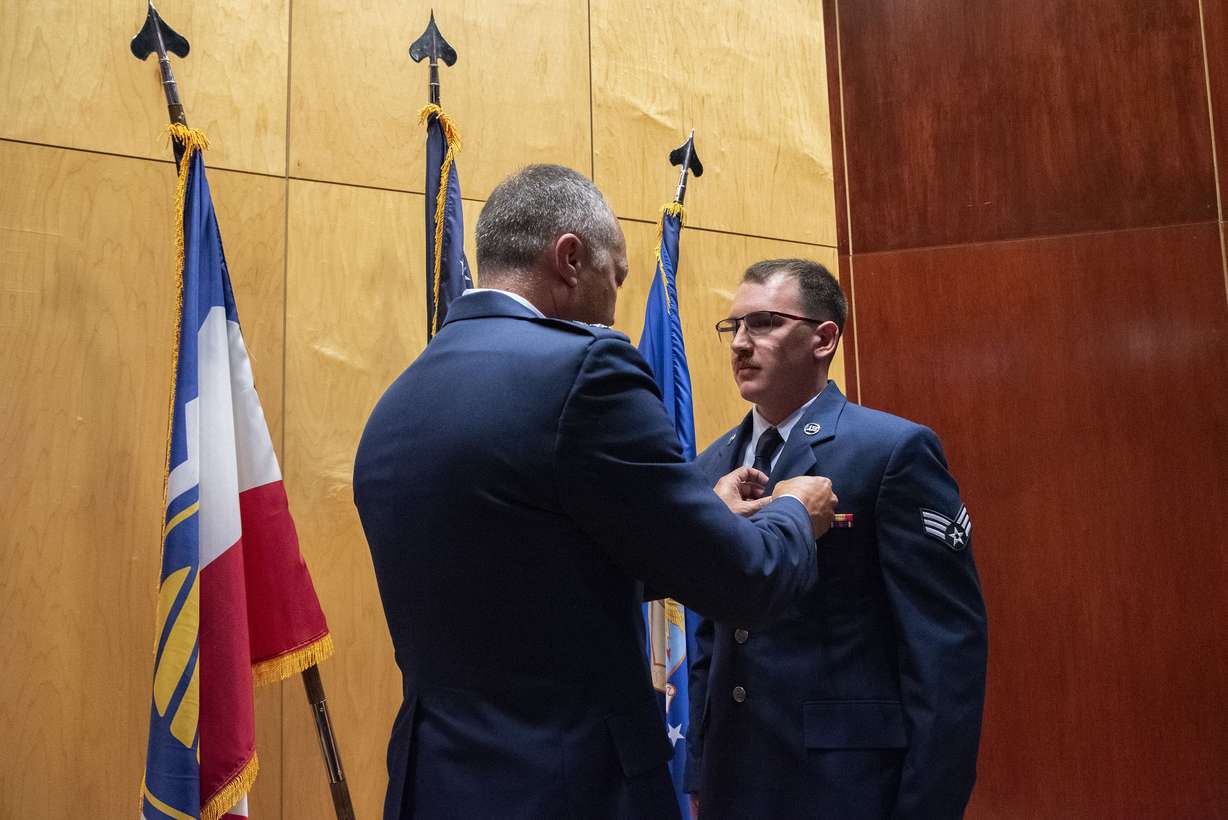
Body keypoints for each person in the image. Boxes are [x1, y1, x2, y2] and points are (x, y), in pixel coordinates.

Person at [353, 167, 838, 820]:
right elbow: (743, 579)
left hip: (432, 784)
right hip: (568, 788)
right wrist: (791, 514)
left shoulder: (399, 400)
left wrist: (692, 516)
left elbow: (533, 575)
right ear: (570, 257)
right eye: (617, 276)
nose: (615, 308)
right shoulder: (585, 370)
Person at [685, 259, 988, 820]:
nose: (741, 344)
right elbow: (710, 634)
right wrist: (701, 770)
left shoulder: (891, 452)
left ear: (824, 338)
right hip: (734, 781)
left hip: (845, 784)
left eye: (764, 323)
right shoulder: (710, 468)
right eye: (734, 327)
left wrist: (928, 806)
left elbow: (944, 652)